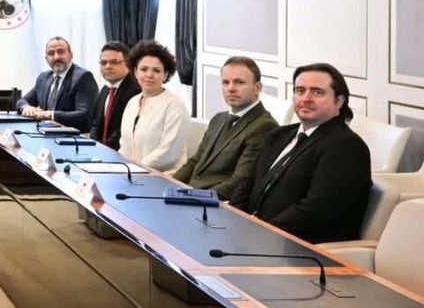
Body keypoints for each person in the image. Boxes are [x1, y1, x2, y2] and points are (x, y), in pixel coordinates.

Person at [230, 63, 370, 243]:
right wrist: (233, 220)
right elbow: (246, 185)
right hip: (254, 234)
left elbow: (317, 210)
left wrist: (260, 232)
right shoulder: (279, 135)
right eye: (300, 91)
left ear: (339, 101)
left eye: (317, 92)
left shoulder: (346, 147)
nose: (306, 98)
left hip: (297, 246)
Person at [171, 56, 279, 197]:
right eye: (226, 82)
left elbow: (239, 182)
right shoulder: (219, 119)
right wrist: (169, 185)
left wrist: (193, 196)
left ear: (257, 88)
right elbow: (195, 161)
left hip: (214, 202)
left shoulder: (265, 126)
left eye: (239, 82)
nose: (231, 88)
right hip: (191, 194)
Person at [117, 40, 190, 172]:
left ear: (165, 75)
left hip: (163, 175)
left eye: (156, 70)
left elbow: (168, 152)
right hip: (132, 172)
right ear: (135, 72)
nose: (149, 75)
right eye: (144, 69)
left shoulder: (175, 106)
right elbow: (124, 145)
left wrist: (135, 168)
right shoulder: (132, 102)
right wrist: (118, 166)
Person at [16, 37, 99, 130]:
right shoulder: (43, 78)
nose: (56, 57)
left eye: (61, 52)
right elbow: (22, 101)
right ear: (46, 59)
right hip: (45, 133)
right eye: (51, 53)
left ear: (71, 55)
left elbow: (84, 116)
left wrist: (48, 114)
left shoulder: (83, 77)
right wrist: (26, 107)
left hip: (72, 135)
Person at [90, 41, 140, 150]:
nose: (108, 66)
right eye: (103, 62)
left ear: (128, 63)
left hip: (121, 153)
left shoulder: (136, 90)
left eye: (114, 62)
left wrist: (102, 150)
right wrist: (93, 147)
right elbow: (95, 125)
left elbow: (122, 131)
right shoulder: (105, 90)